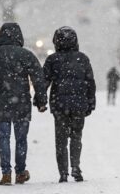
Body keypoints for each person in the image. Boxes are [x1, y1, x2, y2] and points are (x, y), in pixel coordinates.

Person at [0, 22, 47, 186]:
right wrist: (41, 100)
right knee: (21, 138)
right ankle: (21, 172)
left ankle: (6, 173)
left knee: (4, 137)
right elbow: (38, 78)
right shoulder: (26, 55)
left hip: (0, 101)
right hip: (21, 101)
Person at [43, 26, 96, 183]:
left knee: (60, 140)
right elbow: (90, 82)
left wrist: (39, 99)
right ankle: (75, 167)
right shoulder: (83, 58)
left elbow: (44, 81)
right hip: (79, 104)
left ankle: (63, 172)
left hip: (59, 105)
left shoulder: (52, 60)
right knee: (76, 136)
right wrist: (90, 102)